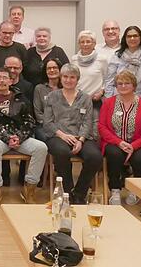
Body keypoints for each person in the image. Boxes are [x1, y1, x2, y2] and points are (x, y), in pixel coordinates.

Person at [0, 66, 46, 209]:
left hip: (19, 137)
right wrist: (7, 138)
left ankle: (29, 190)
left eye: (5, 78)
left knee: (41, 148)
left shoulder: (21, 98)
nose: (1, 80)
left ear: (11, 81)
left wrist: (19, 137)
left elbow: (30, 122)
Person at [43, 64, 101, 204]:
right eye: (65, 77)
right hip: (58, 136)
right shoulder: (52, 96)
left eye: (72, 77)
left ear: (77, 79)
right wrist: (62, 135)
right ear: (60, 78)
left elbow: (88, 122)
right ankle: (67, 192)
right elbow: (47, 122)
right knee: (62, 153)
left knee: (95, 157)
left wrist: (80, 140)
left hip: (81, 136)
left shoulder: (85, 98)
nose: (68, 80)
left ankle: (80, 193)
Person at [98, 70, 141, 206]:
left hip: (139, 144)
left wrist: (133, 146)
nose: (123, 86)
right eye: (120, 84)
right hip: (114, 142)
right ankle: (115, 190)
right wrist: (119, 142)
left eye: (127, 83)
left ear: (134, 85)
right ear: (116, 86)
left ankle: (135, 191)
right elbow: (102, 126)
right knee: (114, 154)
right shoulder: (108, 103)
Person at [103, 26, 141, 99]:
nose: (132, 38)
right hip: (119, 101)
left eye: (135, 36)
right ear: (125, 39)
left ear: (140, 38)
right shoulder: (117, 56)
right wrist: (108, 100)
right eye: (129, 36)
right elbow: (109, 81)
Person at [70, 30, 108, 107]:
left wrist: (101, 92)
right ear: (79, 44)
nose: (85, 44)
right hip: (78, 100)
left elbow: (107, 79)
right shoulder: (74, 59)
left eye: (88, 41)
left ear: (94, 44)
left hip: (95, 101)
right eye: (82, 42)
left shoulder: (102, 59)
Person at [32, 58, 63, 139]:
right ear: (45, 71)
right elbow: (38, 113)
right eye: (49, 68)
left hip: (63, 125)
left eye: (55, 67)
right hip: (44, 126)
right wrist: (52, 126)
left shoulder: (66, 88)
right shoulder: (39, 88)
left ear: (60, 70)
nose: (52, 70)